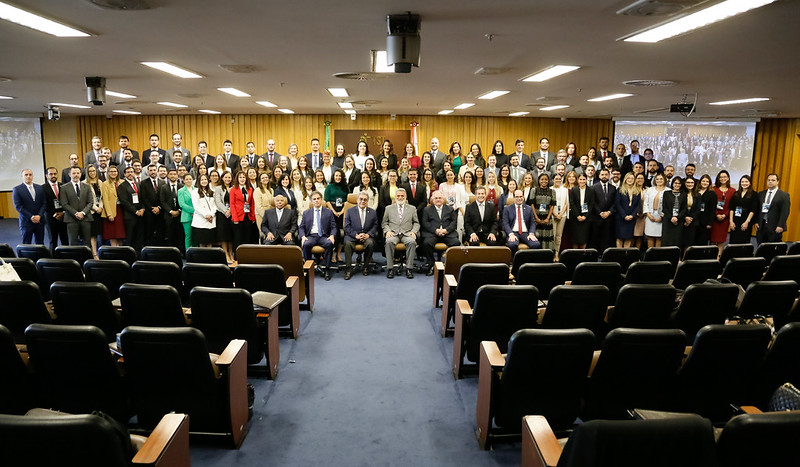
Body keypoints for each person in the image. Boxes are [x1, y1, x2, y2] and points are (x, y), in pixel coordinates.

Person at [299, 191, 337, 281]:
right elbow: (301, 228)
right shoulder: (306, 213)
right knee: (306, 244)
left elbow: (334, 227)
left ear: (321, 200)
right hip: (311, 236)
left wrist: (332, 235)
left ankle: (327, 269)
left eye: (318, 199)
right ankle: (308, 269)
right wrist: (303, 236)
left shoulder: (328, 212)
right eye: (314, 199)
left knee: (329, 244)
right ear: (311, 201)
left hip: (324, 236)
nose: (316, 201)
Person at [382, 188, 419, 279]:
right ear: (395, 197)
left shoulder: (412, 208)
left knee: (412, 242)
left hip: (407, 233)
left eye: (402, 196)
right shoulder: (388, 208)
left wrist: (413, 232)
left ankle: (409, 268)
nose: (400, 197)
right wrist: (387, 231)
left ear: (405, 197)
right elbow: (384, 223)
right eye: (398, 196)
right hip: (393, 233)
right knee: (389, 242)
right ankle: (390, 268)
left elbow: (416, 223)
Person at [420, 190, 459, 276]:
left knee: (456, 243)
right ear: (433, 200)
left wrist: (446, 230)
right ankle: (431, 265)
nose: (438, 200)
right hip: (433, 233)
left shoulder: (450, 209)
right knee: (426, 243)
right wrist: (436, 230)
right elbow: (425, 223)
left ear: (443, 199)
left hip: (447, 233)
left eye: (440, 198)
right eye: (436, 198)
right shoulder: (427, 210)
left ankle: (450, 266)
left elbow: (454, 222)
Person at [343, 192, 378, 279]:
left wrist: (368, 234)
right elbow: (346, 226)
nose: (363, 201)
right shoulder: (350, 211)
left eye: (365, 200)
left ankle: (366, 267)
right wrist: (356, 235)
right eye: (361, 199)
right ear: (357, 200)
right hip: (353, 236)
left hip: (366, 236)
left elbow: (375, 225)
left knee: (370, 243)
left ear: (367, 201)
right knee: (347, 243)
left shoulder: (372, 212)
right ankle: (348, 269)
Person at [59, 166, 94, 246]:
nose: (76, 175)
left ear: (81, 174)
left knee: (87, 243)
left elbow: (90, 202)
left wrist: (83, 213)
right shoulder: (64, 188)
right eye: (74, 173)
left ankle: (87, 258)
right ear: (69, 174)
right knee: (73, 242)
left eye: (78, 173)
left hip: (86, 218)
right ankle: (74, 258)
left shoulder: (87, 186)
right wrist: (76, 213)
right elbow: (64, 203)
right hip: (71, 219)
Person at [12, 168, 46, 245]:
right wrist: (31, 217)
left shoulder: (40, 188)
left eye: (30, 175)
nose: (28, 176)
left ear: (32, 176)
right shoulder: (17, 189)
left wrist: (39, 215)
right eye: (26, 175)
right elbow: (18, 206)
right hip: (26, 221)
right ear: (22, 176)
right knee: (27, 244)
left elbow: (44, 203)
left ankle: (40, 257)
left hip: (39, 221)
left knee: (40, 243)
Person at [755, 173, 791, 244]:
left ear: (777, 182)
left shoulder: (784, 195)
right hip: (761, 226)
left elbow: (785, 212)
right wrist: (756, 222)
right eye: (769, 180)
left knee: (772, 250)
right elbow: (757, 209)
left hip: (775, 227)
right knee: (760, 248)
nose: (770, 182)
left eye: (773, 180)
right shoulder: (761, 194)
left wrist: (780, 225)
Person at [503, 189, 541, 254]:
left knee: (536, 244)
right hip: (513, 233)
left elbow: (533, 222)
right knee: (513, 245)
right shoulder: (507, 209)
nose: (519, 198)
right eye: (517, 197)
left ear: (523, 197)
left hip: (525, 233)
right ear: (514, 198)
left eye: (521, 196)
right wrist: (511, 234)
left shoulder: (529, 208)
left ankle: (528, 262)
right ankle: (515, 263)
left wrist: (531, 233)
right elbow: (505, 223)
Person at [117, 166, 145, 251]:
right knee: (130, 237)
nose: (130, 174)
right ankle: (129, 255)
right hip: (130, 216)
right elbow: (124, 201)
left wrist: (143, 209)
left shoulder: (137, 184)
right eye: (128, 172)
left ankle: (138, 254)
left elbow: (142, 198)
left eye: (132, 172)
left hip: (140, 215)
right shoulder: (122, 186)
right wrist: (136, 211)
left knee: (139, 236)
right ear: (124, 174)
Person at [325, 169, 349, 263]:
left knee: (341, 234)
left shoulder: (345, 187)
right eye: (336, 176)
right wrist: (334, 211)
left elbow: (348, 200)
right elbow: (326, 201)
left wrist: (342, 211)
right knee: (334, 233)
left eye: (339, 176)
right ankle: (332, 255)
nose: (338, 177)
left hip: (343, 212)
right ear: (333, 177)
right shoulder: (329, 187)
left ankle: (338, 254)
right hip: (332, 212)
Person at [42, 166, 69, 252]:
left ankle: (67, 258)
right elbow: (43, 203)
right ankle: (53, 259)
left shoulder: (64, 186)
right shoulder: (42, 188)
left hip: (64, 216)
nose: (53, 175)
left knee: (65, 239)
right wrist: (55, 214)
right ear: (47, 176)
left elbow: (68, 200)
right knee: (52, 240)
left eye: (55, 173)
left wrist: (63, 213)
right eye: (51, 174)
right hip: (50, 217)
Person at [230, 171, 256, 256]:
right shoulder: (233, 189)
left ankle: (246, 255)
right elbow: (232, 204)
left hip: (247, 216)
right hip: (238, 216)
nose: (242, 179)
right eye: (240, 177)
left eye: (244, 177)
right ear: (237, 179)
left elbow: (252, 204)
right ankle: (237, 256)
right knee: (238, 238)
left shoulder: (250, 189)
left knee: (247, 237)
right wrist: (235, 218)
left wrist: (253, 217)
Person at [591, 168, 616, 252]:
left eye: (606, 174)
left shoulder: (613, 188)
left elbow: (614, 202)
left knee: (607, 237)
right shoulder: (593, 187)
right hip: (597, 217)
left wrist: (609, 212)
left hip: (609, 217)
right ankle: (596, 255)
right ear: (599, 176)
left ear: (609, 176)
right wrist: (600, 212)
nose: (604, 176)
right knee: (596, 237)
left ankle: (604, 254)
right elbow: (593, 202)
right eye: (602, 174)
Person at [159, 168, 185, 253]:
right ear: (168, 175)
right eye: (171, 174)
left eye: (174, 174)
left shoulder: (181, 186)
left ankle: (180, 252)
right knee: (170, 234)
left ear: (177, 176)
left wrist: (179, 210)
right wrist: (170, 211)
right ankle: (171, 253)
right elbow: (162, 201)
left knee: (180, 234)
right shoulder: (163, 187)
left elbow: (184, 201)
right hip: (168, 215)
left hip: (180, 214)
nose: (173, 175)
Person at [728, 175, 759, 245]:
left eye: (746, 181)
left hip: (746, 220)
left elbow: (753, 210)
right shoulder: (736, 194)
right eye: (742, 182)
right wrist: (731, 221)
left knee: (743, 241)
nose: (744, 183)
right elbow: (732, 208)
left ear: (750, 183)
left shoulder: (754, 194)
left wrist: (747, 222)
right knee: (733, 240)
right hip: (735, 220)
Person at [100, 165, 125, 247]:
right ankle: (114, 249)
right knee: (113, 233)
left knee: (121, 233)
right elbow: (105, 200)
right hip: (112, 210)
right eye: (111, 171)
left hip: (122, 209)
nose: (113, 173)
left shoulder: (122, 182)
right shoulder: (105, 184)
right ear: (108, 173)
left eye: (115, 171)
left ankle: (121, 250)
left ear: (118, 173)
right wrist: (109, 214)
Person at [615, 172, 641, 248]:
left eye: (632, 178)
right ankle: (619, 255)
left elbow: (638, 205)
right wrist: (624, 216)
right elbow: (617, 204)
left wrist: (632, 215)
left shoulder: (637, 191)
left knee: (629, 238)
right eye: (628, 178)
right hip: (621, 217)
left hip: (632, 218)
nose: (630, 180)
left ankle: (625, 257)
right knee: (619, 237)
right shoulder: (619, 190)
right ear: (625, 179)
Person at [529, 174, 555, 250]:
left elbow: (552, 205)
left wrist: (547, 218)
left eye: (546, 179)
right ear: (539, 180)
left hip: (547, 217)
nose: (544, 181)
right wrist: (536, 218)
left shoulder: (552, 191)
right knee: (537, 237)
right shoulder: (534, 190)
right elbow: (532, 204)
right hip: (536, 217)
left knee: (547, 238)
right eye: (542, 179)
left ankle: (547, 255)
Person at [140, 164, 164, 246]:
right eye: (151, 170)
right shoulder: (143, 183)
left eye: (154, 170)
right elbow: (143, 198)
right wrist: (151, 208)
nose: (153, 172)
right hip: (149, 213)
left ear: (157, 171)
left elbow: (164, 198)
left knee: (160, 233)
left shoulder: (163, 183)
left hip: (160, 213)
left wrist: (159, 208)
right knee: (149, 234)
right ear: (147, 172)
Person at [214, 171, 235, 263]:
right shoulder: (218, 188)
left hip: (232, 214)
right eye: (225, 177)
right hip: (222, 215)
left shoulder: (234, 188)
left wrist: (230, 210)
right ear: (222, 178)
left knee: (230, 235)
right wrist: (225, 211)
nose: (227, 179)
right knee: (223, 235)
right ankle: (226, 254)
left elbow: (235, 201)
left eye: (229, 177)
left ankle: (231, 254)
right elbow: (217, 202)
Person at [191, 173, 217, 247]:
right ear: (199, 181)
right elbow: (196, 206)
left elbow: (215, 205)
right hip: (200, 221)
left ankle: (209, 258)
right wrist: (206, 215)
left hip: (211, 220)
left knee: (210, 242)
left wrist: (211, 214)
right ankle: (202, 258)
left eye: (205, 179)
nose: (204, 181)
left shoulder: (212, 191)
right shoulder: (195, 192)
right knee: (202, 242)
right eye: (202, 180)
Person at [569, 173, 594, 249]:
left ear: (586, 180)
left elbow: (591, 205)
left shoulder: (591, 190)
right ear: (578, 180)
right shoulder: (574, 189)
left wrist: (585, 216)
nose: (582, 181)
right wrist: (578, 216)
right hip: (575, 218)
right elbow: (572, 203)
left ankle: (582, 255)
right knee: (575, 239)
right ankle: (575, 255)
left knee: (584, 238)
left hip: (586, 218)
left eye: (584, 179)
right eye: (580, 179)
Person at [711, 170, 732, 256]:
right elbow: (711, 205)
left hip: (725, 220)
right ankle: (711, 258)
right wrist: (716, 214)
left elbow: (732, 206)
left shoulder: (732, 191)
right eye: (721, 177)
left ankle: (718, 259)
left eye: (725, 177)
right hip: (714, 219)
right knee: (713, 240)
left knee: (721, 241)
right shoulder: (713, 189)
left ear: (728, 178)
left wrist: (724, 215)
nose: (723, 179)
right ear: (718, 179)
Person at [84, 165, 104, 257]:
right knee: (93, 235)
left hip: (100, 211)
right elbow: (86, 200)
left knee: (100, 233)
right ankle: (94, 254)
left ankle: (101, 253)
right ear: (87, 173)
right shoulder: (84, 183)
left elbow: (102, 197)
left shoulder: (99, 182)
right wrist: (96, 209)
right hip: (91, 212)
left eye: (94, 171)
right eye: (90, 171)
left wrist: (100, 207)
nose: (92, 173)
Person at [661, 177, 686, 248]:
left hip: (679, 221)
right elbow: (664, 208)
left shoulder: (684, 194)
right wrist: (671, 217)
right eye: (675, 183)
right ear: (672, 184)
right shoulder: (666, 193)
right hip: (668, 220)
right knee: (667, 241)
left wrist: (677, 218)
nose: (677, 185)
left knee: (677, 241)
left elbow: (684, 209)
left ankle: (676, 258)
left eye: (679, 183)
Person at [643, 173, 667, 248]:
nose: (659, 180)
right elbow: (645, 203)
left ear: (664, 180)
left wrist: (662, 217)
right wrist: (648, 215)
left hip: (661, 217)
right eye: (657, 179)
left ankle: (657, 257)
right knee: (650, 236)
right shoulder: (650, 190)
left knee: (659, 237)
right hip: (650, 216)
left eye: (661, 179)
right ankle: (650, 257)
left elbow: (669, 206)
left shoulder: (668, 191)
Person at [695, 174, 717, 246]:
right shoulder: (696, 192)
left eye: (707, 181)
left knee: (702, 241)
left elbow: (712, 209)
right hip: (695, 220)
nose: (705, 183)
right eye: (703, 181)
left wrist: (710, 223)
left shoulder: (712, 194)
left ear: (709, 183)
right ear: (700, 182)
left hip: (705, 221)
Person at [681, 177, 701, 252]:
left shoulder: (698, 195)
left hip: (693, 222)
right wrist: (685, 218)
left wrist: (690, 219)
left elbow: (698, 209)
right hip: (682, 221)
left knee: (689, 243)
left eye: (692, 182)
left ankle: (685, 260)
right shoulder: (681, 193)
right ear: (685, 183)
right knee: (680, 242)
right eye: (688, 182)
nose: (690, 184)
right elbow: (680, 208)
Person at [552, 173, 569, 256]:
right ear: (553, 180)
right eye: (556, 179)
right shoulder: (550, 189)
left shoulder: (565, 190)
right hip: (552, 215)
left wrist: (561, 213)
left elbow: (566, 203)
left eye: (559, 179)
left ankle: (556, 253)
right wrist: (555, 214)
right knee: (553, 235)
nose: (558, 180)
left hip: (563, 215)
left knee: (559, 236)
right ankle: (551, 253)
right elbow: (549, 204)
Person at [177, 173, 195, 251]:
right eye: (186, 179)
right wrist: (194, 211)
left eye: (190, 179)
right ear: (183, 180)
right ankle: (189, 254)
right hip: (187, 216)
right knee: (188, 236)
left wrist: (197, 213)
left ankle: (197, 253)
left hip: (197, 216)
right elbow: (182, 204)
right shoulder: (181, 191)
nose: (189, 180)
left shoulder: (196, 189)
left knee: (196, 236)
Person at [633, 173, 647, 249]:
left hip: (643, 216)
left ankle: (637, 254)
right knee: (632, 236)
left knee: (639, 236)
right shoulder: (632, 189)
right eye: (638, 178)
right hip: (634, 215)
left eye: (642, 178)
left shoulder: (647, 189)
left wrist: (643, 213)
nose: (640, 180)